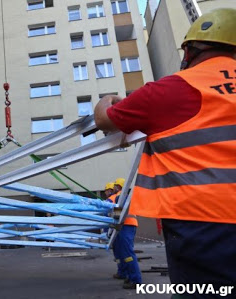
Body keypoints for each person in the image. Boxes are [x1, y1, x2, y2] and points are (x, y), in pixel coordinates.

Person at [94, 8, 236, 294]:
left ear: (191, 50)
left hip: (205, 224)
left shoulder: (174, 89)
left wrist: (107, 98)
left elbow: (104, 120)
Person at [109, 178, 141, 289]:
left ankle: (135, 280)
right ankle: (130, 276)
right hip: (129, 225)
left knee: (127, 254)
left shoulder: (120, 197)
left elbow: (118, 214)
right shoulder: (127, 196)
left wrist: (112, 221)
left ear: (118, 187)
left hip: (125, 226)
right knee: (125, 253)